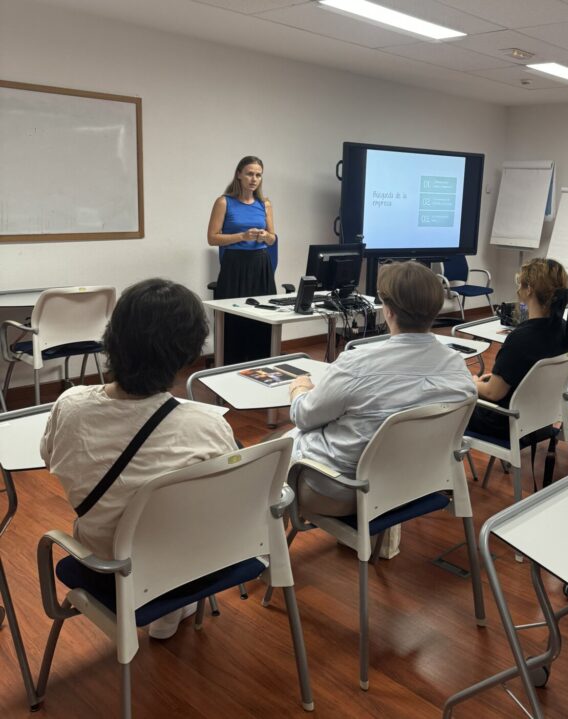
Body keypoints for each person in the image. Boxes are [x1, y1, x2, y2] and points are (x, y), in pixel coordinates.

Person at [41, 278, 237, 638]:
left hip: (106, 564)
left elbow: (48, 454)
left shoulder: (69, 407)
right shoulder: (208, 426)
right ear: (188, 354)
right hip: (193, 564)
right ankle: (171, 608)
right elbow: (228, 498)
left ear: (112, 338)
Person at [287, 260, 476, 516]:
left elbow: (304, 417)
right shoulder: (457, 368)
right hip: (417, 481)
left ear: (388, 312)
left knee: (272, 455)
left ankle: (265, 550)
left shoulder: (356, 365)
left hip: (345, 490)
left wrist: (300, 389)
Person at [465, 257, 568, 440]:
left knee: (452, 399)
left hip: (507, 423)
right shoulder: (565, 330)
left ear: (529, 289)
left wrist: (471, 382)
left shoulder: (520, 339)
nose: (518, 289)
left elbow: (493, 393)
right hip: (541, 419)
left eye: (520, 283)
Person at [207, 155, 277, 364]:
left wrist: (266, 236)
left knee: (262, 315)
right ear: (239, 175)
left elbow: (273, 238)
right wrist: (242, 236)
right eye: (249, 174)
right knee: (235, 318)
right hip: (235, 265)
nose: (254, 179)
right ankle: (230, 365)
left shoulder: (265, 204)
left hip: (261, 264)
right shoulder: (224, 202)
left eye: (258, 175)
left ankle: (261, 362)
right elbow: (212, 238)